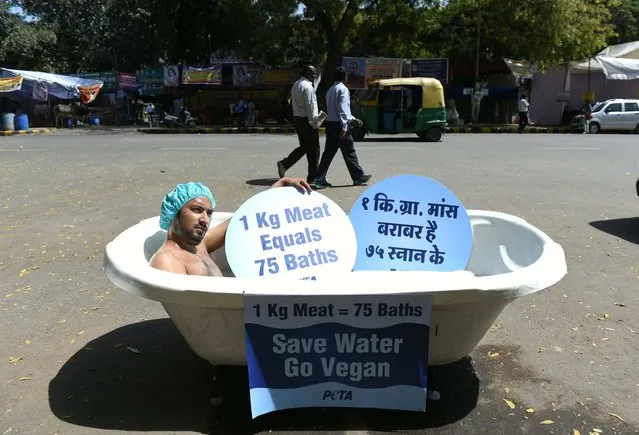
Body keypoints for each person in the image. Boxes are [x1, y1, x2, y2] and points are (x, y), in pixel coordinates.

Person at [150, 177, 312, 276]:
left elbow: (242, 219)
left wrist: (279, 186)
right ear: (173, 216)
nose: (205, 220)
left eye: (209, 213)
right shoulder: (167, 260)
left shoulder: (199, 245)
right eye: (197, 210)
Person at [313, 67, 372, 189]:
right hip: (340, 125)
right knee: (349, 152)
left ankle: (319, 179)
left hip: (331, 124)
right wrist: (345, 126)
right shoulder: (343, 89)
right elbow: (342, 109)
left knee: (328, 153)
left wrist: (353, 118)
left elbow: (338, 109)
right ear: (345, 77)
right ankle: (358, 177)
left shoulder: (330, 90)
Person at [276, 65, 321, 183]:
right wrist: (315, 123)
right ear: (306, 73)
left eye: (316, 74)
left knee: (305, 147)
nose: (315, 76)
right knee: (314, 150)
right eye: (313, 73)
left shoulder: (296, 85)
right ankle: (313, 177)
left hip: (298, 120)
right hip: (307, 121)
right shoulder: (308, 87)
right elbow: (311, 107)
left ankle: (285, 164)